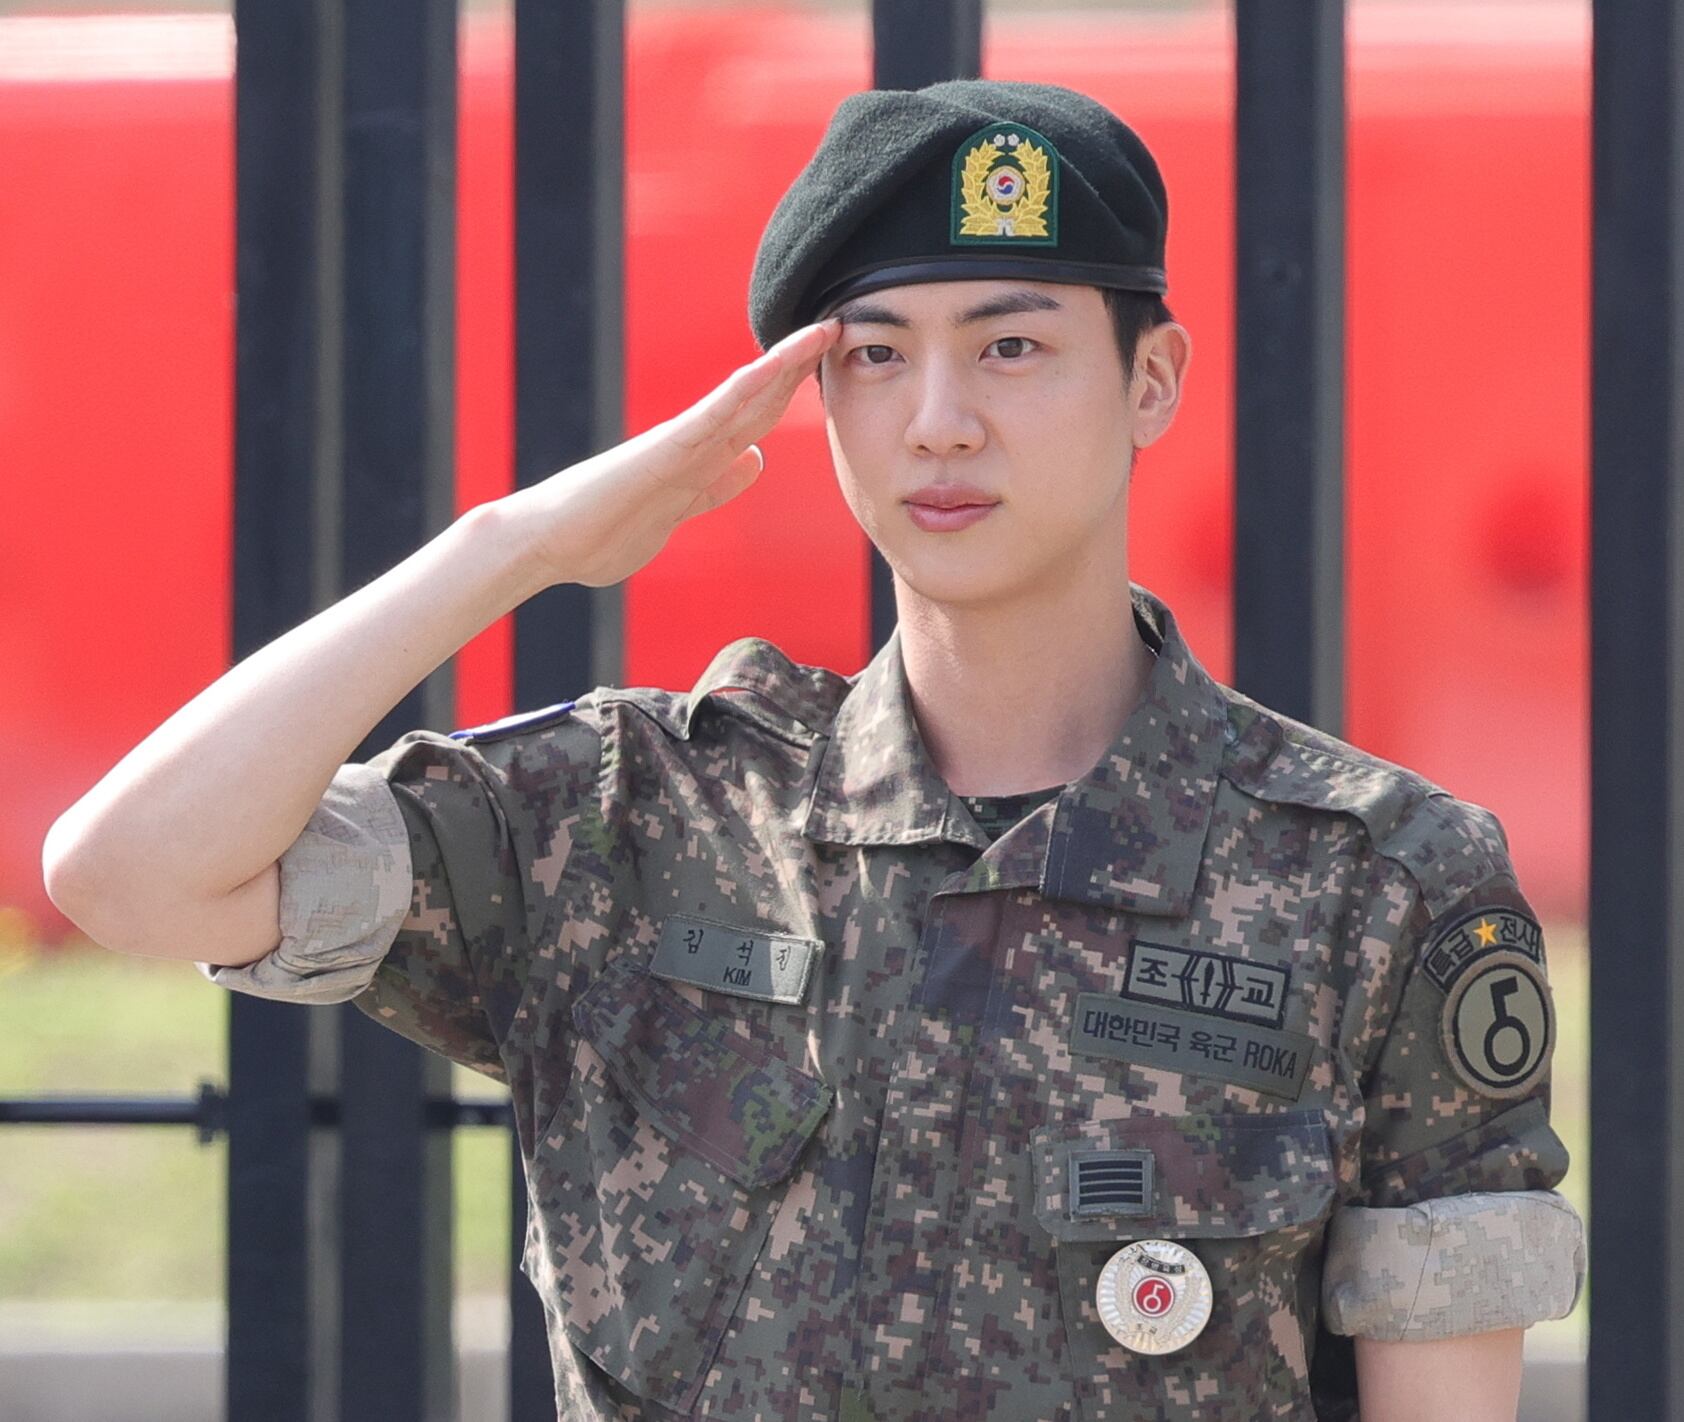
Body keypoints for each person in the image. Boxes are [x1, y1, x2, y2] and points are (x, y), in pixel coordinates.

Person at [44, 79, 1585, 1422]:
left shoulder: (1373, 886)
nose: (938, 420)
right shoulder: (631, 822)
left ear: (1153, 382)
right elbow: (128, 873)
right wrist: (509, 544)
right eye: (873, 356)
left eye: (1012, 347)